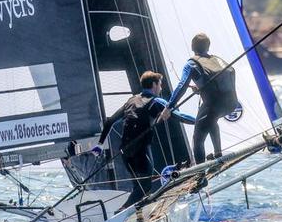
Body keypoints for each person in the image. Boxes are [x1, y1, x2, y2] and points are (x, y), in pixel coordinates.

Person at [98, 70, 194, 206]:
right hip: (140, 151)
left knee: (138, 187)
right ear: (154, 84)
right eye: (160, 85)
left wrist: (100, 144)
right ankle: (121, 213)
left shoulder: (131, 101)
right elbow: (180, 116)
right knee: (145, 187)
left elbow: (110, 122)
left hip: (125, 152)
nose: (161, 88)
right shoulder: (156, 101)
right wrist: (200, 121)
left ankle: (138, 214)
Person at [167, 33, 240, 164]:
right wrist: (201, 89)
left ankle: (200, 174)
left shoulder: (191, 64)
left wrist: (169, 106)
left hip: (214, 106)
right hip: (232, 103)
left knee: (198, 138)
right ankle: (218, 154)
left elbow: (182, 86)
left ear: (192, 46)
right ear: (208, 46)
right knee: (211, 120)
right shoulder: (218, 59)